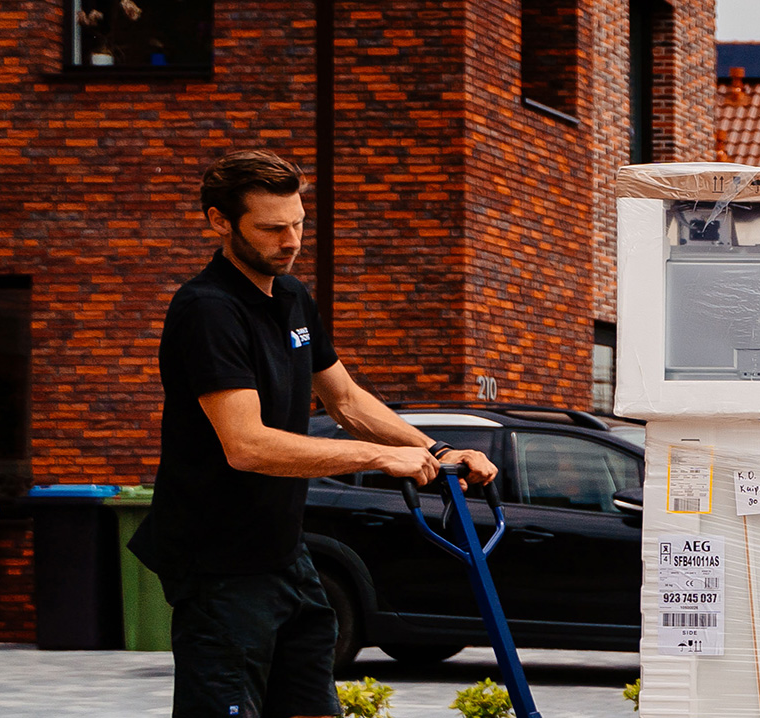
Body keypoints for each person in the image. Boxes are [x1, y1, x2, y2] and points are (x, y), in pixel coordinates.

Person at [128, 149, 501, 718]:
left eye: (298, 223)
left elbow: (346, 399)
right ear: (219, 222)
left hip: (286, 556)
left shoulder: (293, 297)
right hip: (219, 566)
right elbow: (246, 445)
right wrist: (378, 458)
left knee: (313, 706)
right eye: (272, 228)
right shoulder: (208, 310)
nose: (291, 239)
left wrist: (435, 450)